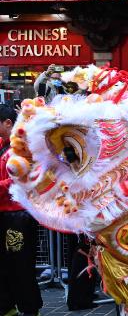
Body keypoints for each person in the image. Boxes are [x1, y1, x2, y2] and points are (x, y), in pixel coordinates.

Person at [0, 104, 42, 316]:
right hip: (5, 214)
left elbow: (21, 180)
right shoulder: (4, 146)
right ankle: (7, 306)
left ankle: (29, 308)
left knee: (21, 265)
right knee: (6, 266)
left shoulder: (20, 150)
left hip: (17, 215)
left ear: (8, 123)